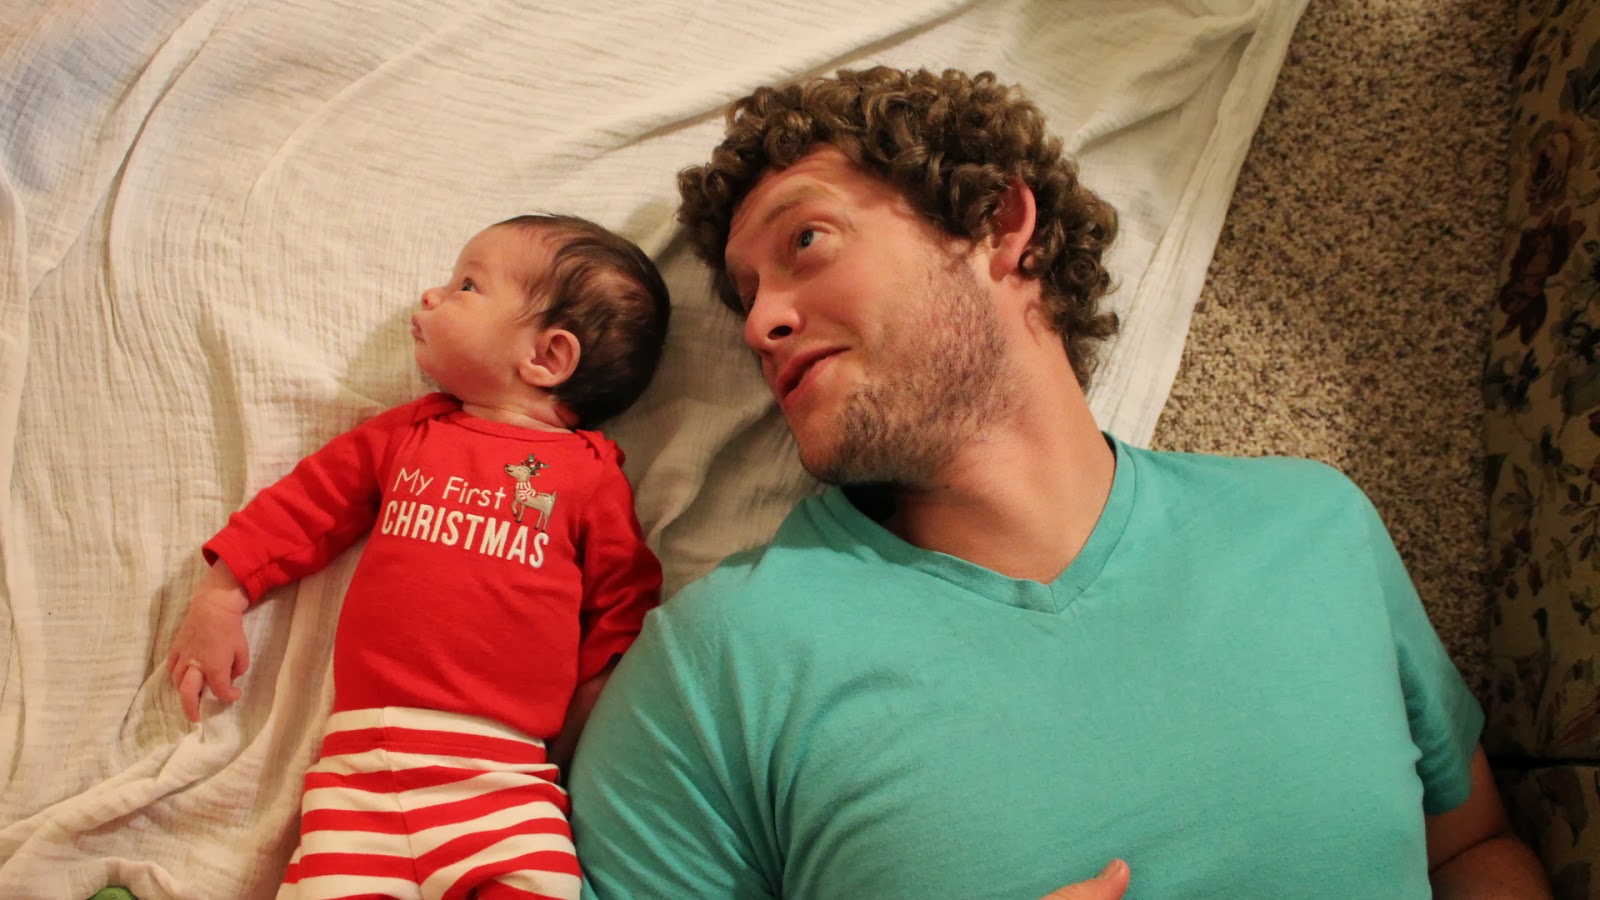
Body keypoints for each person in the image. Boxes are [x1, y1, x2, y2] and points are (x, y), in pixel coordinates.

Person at [566, 67, 1553, 899]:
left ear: (998, 223)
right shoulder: (709, 672)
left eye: (806, 242)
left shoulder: (1312, 525)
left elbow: (1469, 847)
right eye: (745, 297)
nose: (759, 323)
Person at [166, 213, 670, 900]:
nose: (431, 295)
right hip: (359, 779)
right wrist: (222, 594)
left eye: (467, 286)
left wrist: (580, 727)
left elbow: (623, 610)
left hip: (506, 781)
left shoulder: (590, 476)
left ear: (547, 357)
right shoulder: (410, 434)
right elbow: (306, 505)